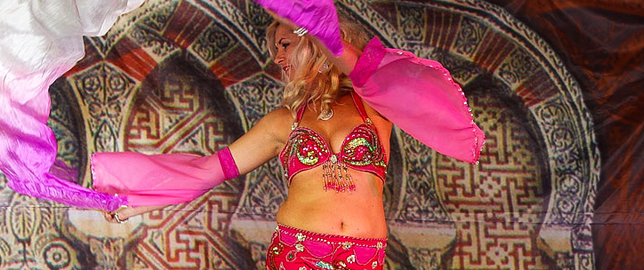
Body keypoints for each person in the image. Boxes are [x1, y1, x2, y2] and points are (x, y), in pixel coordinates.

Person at [93, 17, 484, 270]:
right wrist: (133, 203)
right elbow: (209, 169)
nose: (277, 58)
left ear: (313, 41)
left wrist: (311, 18)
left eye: (284, 44)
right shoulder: (284, 121)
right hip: (298, 253)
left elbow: (358, 63)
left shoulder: (375, 104)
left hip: (363, 258)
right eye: (274, 49)